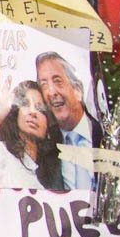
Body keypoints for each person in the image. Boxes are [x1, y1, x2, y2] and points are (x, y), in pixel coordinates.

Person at [0, 75, 66, 191]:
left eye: (40, 108)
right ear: (16, 114)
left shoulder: (49, 175)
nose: (33, 112)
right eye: (25, 104)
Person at [36, 51, 104, 191]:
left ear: (77, 90)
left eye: (57, 81)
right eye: (44, 85)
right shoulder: (43, 153)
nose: (51, 92)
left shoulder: (107, 135)